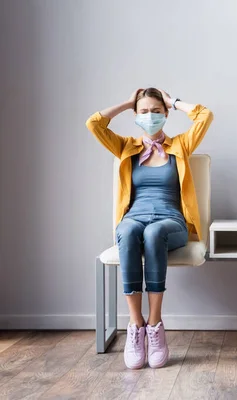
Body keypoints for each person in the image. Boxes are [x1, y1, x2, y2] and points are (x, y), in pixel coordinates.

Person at [86, 88, 213, 369]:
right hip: (134, 219)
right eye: (143, 111)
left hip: (171, 223)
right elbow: (94, 124)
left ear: (166, 114)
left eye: (157, 111)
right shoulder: (125, 147)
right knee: (130, 231)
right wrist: (127, 103)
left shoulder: (180, 146)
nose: (150, 116)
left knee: (154, 232)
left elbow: (205, 116)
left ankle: (155, 324)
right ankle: (136, 325)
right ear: (136, 116)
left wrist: (175, 102)